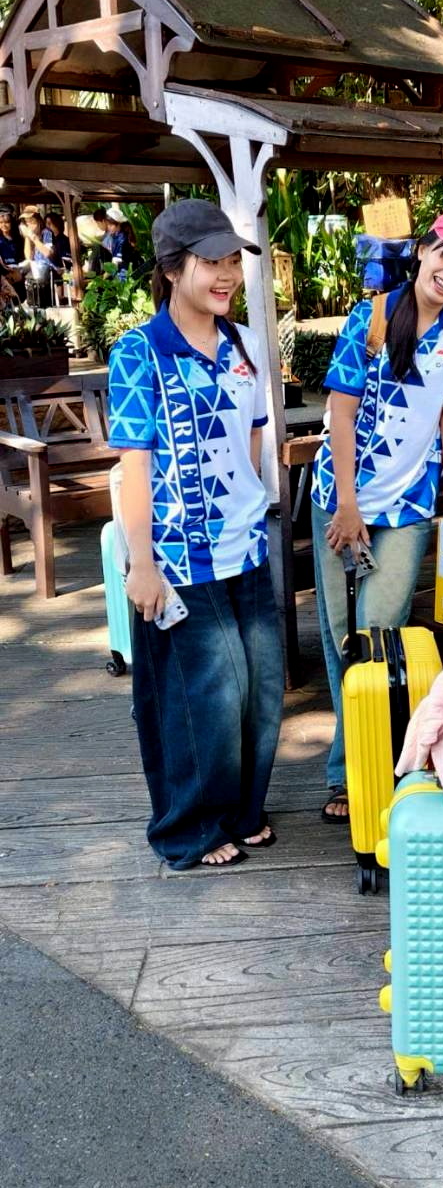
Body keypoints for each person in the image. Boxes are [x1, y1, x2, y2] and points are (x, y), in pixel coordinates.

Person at [106, 199, 283, 870]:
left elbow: (254, 436)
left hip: (247, 545)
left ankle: (240, 811)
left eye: (234, 259)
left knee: (261, 692)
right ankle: (189, 829)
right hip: (180, 557)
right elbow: (134, 465)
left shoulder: (243, 344)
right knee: (207, 696)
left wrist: (255, 503)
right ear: (173, 268)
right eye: (212, 261)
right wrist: (141, 563)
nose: (227, 273)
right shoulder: (140, 351)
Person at [312, 208, 443, 824]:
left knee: (378, 634)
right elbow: (341, 413)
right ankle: (349, 770)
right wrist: (347, 505)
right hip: (338, 497)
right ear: (423, 251)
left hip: (409, 506)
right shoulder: (370, 317)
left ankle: (374, 765)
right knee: (341, 637)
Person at [102, 203, 140, 271]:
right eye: (107, 225)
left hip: (126, 272)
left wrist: (106, 274)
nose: (108, 227)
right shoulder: (117, 235)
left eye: (111, 225)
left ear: (118, 224)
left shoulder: (121, 239)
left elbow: (115, 262)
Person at [0, 204, 25, 299]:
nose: (3, 225)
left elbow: (22, 258)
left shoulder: (19, 239)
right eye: (1, 223)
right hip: (5, 273)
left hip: (18, 271)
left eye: (6, 222)